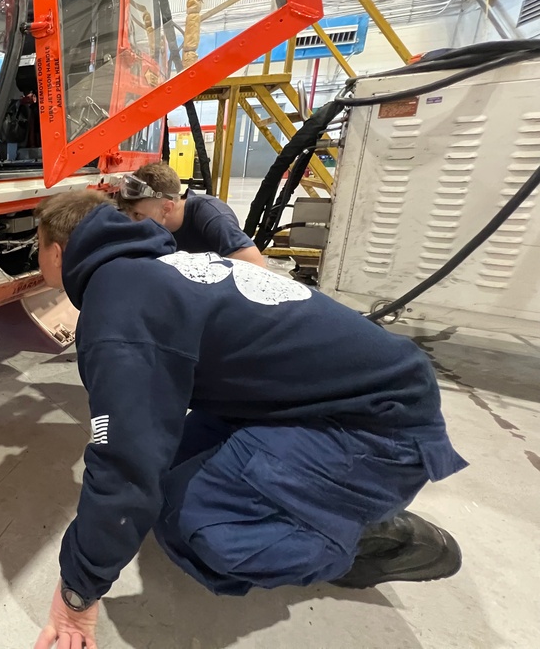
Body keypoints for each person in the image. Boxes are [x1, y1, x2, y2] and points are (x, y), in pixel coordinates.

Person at [32, 190, 466, 649]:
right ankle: (323, 503)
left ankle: (360, 535)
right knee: (167, 478)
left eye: (35, 247)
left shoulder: (118, 311)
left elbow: (123, 466)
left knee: (195, 525)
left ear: (57, 252)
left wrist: (76, 596)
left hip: (379, 430)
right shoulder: (151, 271)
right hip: (350, 397)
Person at [118, 161, 268, 267]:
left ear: (167, 208)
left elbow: (255, 267)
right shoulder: (153, 218)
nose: (131, 223)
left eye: (138, 215)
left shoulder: (212, 216)